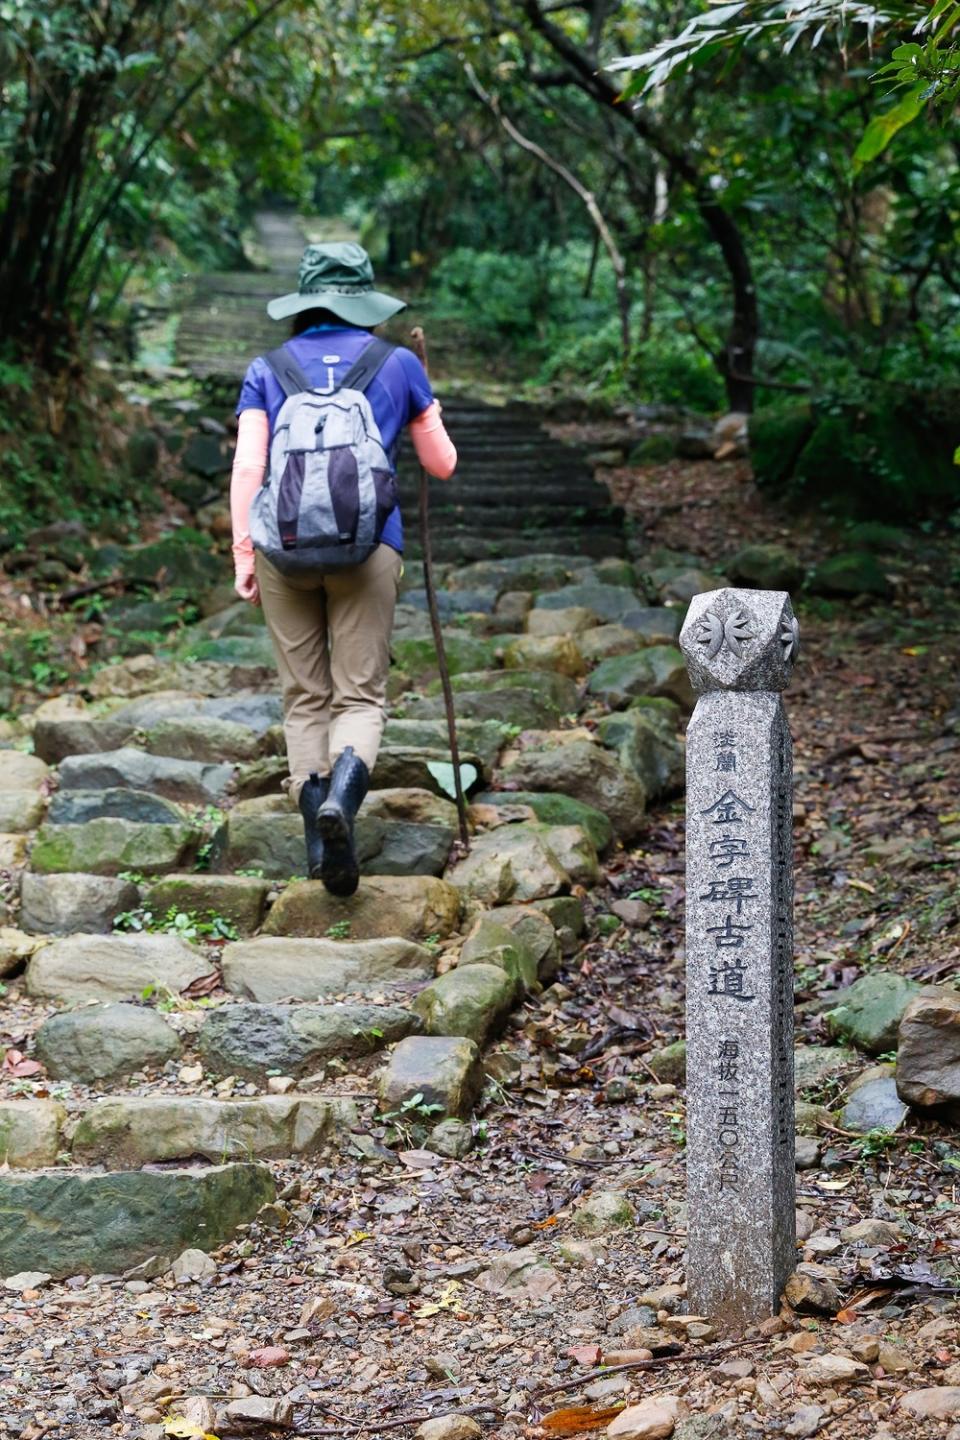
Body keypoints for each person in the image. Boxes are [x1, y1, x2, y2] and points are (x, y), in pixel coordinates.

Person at [230, 241, 457, 896]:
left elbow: (249, 468)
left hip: (283, 547)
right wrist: (424, 395)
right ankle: (343, 804)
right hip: (369, 547)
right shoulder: (398, 363)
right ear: (364, 300)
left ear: (305, 300)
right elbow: (440, 464)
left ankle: (318, 827)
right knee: (359, 695)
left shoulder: (267, 367)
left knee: (305, 695)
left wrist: (244, 552)